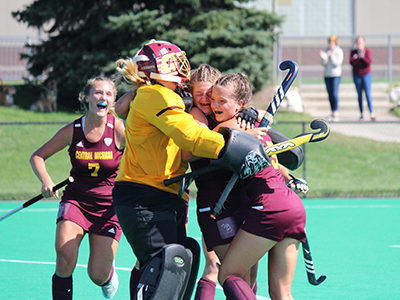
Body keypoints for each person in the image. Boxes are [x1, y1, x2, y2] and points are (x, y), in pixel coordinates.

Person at [112, 40, 271, 300]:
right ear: (156, 69)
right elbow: (191, 137)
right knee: (164, 268)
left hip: (162, 193)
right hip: (145, 195)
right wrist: (236, 143)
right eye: (173, 62)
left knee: (172, 262)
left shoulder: (162, 95)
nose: (181, 66)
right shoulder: (156, 94)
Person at [185, 72, 306, 300]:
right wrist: (248, 127)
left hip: (266, 206)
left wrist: (244, 127)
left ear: (239, 103)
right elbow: (190, 151)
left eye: (216, 97)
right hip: (290, 206)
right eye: (204, 96)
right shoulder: (240, 122)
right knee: (278, 292)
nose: (210, 102)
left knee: (230, 275)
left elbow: (218, 140)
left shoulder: (233, 124)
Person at [30, 77, 125, 299]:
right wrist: (46, 180)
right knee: (64, 258)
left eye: (108, 94)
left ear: (112, 102)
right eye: (98, 93)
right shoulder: (73, 130)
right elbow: (38, 156)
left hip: (109, 208)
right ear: (87, 98)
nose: (103, 97)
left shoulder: (119, 129)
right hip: (76, 202)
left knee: (97, 275)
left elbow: (141, 156)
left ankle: (108, 276)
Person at [350, 36, 376, 121]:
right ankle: (361, 113)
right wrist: (358, 57)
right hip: (357, 75)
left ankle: (371, 113)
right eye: (358, 42)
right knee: (359, 95)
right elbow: (352, 62)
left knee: (368, 94)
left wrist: (363, 56)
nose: (359, 44)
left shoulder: (367, 51)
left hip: (366, 75)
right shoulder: (354, 52)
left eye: (361, 42)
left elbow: (368, 62)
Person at [320, 34, 344, 122]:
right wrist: (324, 58)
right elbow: (323, 64)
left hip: (335, 75)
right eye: (329, 42)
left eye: (331, 42)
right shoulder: (326, 50)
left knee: (334, 93)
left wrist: (331, 56)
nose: (330, 44)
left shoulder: (338, 51)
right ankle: (332, 111)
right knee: (329, 94)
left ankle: (336, 111)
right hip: (327, 75)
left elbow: (337, 63)